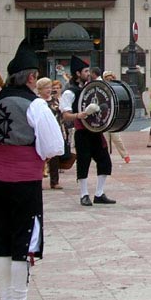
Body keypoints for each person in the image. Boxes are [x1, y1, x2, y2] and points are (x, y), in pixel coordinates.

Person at [0, 40, 64, 300]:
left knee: (2, 235)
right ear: (31, 78)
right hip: (24, 180)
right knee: (23, 236)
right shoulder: (35, 104)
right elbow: (54, 146)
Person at [60, 56, 115, 206]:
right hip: (82, 132)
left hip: (95, 130)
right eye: (85, 71)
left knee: (105, 161)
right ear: (78, 73)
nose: (88, 73)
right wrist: (78, 115)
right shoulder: (70, 92)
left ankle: (99, 194)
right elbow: (65, 115)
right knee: (83, 162)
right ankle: (84, 194)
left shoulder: (91, 88)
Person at [101, 71, 130, 164]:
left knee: (116, 138)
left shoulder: (117, 88)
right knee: (105, 138)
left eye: (111, 78)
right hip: (105, 117)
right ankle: (105, 156)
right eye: (107, 78)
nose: (109, 80)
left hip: (113, 118)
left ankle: (125, 155)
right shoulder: (103, 88)